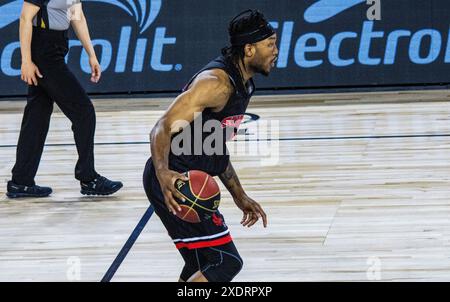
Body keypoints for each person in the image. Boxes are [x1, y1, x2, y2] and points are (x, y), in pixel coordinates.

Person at [143, 9, 277, 282]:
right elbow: (161, 127)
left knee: (198, 265)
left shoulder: (243, 84)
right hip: (176, 181)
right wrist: (163, 173)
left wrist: (240, 196)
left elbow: (214, 146)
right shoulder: (215, 84)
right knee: (225, 263)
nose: (276, 50)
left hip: (185, 177)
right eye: (270, 44)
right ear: (249, 49)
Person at [6, 0, 123, 198]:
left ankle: (21, 181)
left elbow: (77, 16)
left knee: (37, 116)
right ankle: (88, 178)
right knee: (84, 111)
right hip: (44, 50)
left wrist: (91, 55)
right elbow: (25, 18)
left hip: (56, 47)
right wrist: (26, 61)